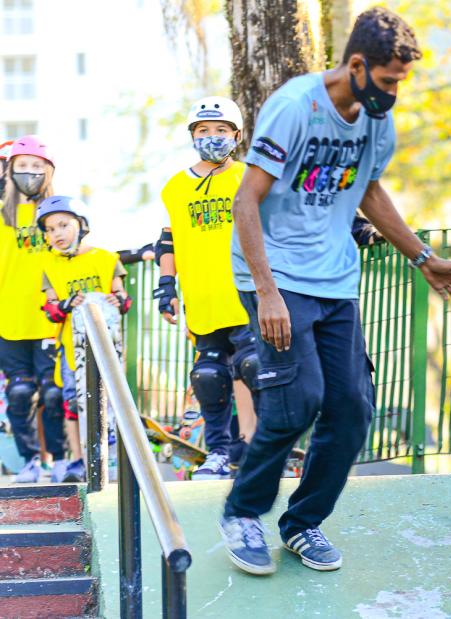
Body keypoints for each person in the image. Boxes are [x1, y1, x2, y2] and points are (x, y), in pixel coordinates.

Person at [219, 6, 451, 576]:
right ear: (356, 64)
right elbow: (245, 200)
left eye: (401, 83)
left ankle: (302, 523)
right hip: (275, 276)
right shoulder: (294, 108)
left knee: (353, 408)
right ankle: (242, 512)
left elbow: (370, 192)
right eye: (387, 81)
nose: (394, 94)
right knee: (297, 400)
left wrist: (422, 256)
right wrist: (266, 293)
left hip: (333, 278)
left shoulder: (377, 121)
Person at [154, 96, 260, 480]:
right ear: (192, 136)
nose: (212, 137)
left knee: (254, 367)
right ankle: (218, 452)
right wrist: (167, 287)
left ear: (236, 135)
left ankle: (257, 449)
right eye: (203, 131)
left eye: (220, 130)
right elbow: (167, 241)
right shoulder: (176, 187)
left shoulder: (249, 177)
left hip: (248, 296)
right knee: (209, 376)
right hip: (203, 299)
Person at [37, 196, 131, 482]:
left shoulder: (105, 258)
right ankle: (78, 459)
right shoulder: (49, 266)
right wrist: (65, 305)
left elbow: (122, 297)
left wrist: (119, 300)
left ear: (81, 224)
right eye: (51, 229)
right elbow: (50, 309)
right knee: (72, 401)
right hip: (72, 347)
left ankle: (110, 454)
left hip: (106, 344)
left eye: (64, 225)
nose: (57, 234)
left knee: (110, 398)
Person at [0, 136, 67, 483]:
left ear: (49, 172)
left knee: (54, 392)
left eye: (37, 166)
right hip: (9, 318)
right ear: (9, 170)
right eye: (22, 166)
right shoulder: (1, 213)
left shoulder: (58, 213)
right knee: (20, 392)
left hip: (49, 320)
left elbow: (77, 251)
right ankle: (29, 461)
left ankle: (58, 460)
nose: (29, 173)